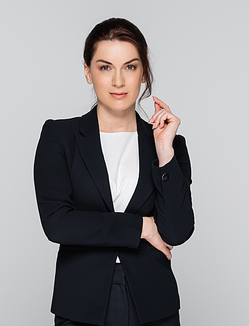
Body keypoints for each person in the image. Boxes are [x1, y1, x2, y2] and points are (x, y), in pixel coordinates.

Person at [34, 18, 194, 326]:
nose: (118, 81)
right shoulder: (60, 137)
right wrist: (141, 228)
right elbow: (58, 224)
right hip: (81, 304)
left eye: (130, 67)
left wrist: (164, 153)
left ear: (143, 72)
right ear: (87, 72)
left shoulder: (170, 145)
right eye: (105, 67)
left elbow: (177, 232)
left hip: (154, 306)